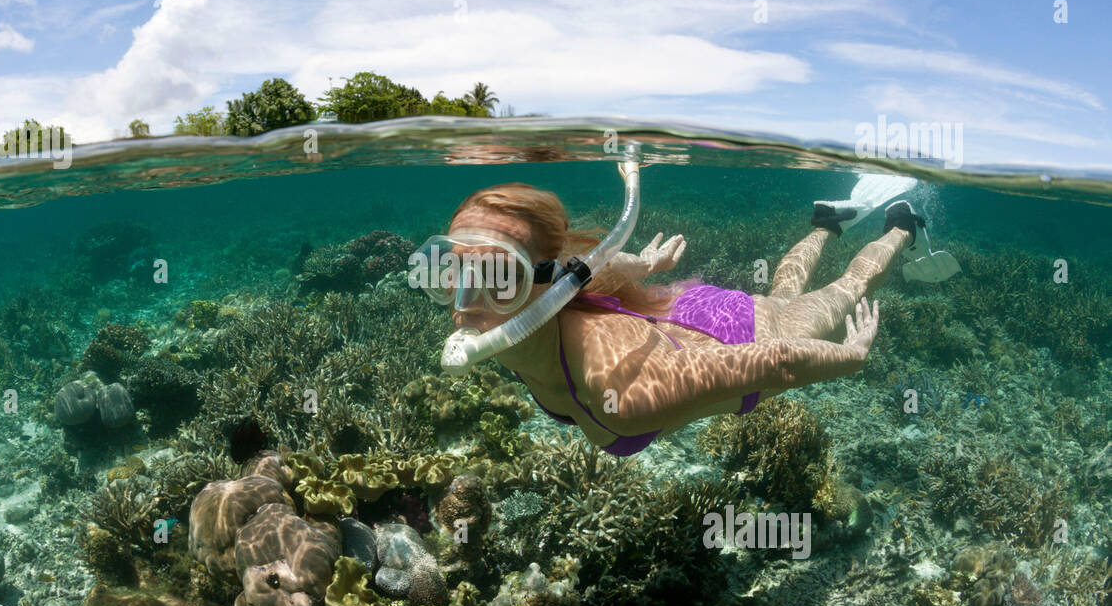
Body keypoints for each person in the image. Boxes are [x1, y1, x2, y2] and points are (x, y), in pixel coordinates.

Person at [410, 170, 957, 455]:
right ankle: (827, 221)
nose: (464, 304)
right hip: (686, 319)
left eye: (500, 277)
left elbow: (780, 363)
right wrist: (641, 265)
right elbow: (587, 265)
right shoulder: (529, 310)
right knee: (786, 292)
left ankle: (904, 224)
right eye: (448, 269)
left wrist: (849, 357)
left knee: (846, 288)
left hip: (742, 337)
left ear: (544, 284)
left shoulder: (620, 395)